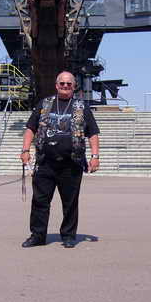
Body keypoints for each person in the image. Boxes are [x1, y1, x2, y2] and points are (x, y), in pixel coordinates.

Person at [20, 71, 100, 248]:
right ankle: (38, 236)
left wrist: (95, 156)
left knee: (70, 202)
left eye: (69, 84)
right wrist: (25, 150)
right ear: (56, 85)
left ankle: (69, 236)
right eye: (62, 83)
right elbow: (30, 128)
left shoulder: (81, 107)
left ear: (74, 86)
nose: (65, 86)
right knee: (40, 201)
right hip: (45, 162)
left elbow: (93, 132)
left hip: (71, 163)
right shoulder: (45, 104)